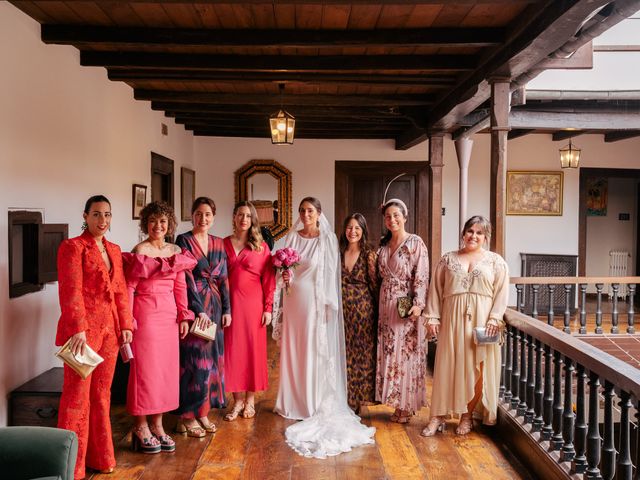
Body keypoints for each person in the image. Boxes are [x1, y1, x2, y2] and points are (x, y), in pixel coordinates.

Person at [272, 197, 375, 458]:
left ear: (319, 213)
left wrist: (329, 304)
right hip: (293, 299)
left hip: (315, 302)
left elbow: (331, 271)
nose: (306, 214)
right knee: (293, 349)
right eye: (302, 211)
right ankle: (290, 400)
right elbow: (282, 269)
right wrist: (284, 275)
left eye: (311, 211)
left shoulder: (327, 238)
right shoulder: (292, 238)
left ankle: (310, 402)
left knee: (312, 350)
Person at [56, 195, 133, 479]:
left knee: (102, 396)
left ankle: (101, 459)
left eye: (107, 215)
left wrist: (125, 324)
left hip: (110, 332)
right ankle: (70, 468)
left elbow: (120, 290)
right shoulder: (72, 247)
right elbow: (70, 289)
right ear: (86, 216)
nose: (103, 221)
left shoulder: (113, 248)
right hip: (82, 335)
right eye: (97, 214)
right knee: (76, 398)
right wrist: (77, 328)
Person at [422, 215, 509, 437]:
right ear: (463, 234)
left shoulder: (496, 262)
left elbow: (501, 292)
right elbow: (435, 290)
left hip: (482, 323)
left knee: (477, 368)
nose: (474, 236)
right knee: (445, 367)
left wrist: (495, 318)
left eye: (479, 233)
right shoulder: (447, 259)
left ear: (486, 237)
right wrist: (432, 317)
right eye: (470, 231)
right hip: (452, 320)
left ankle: (467, 415)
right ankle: (437, 416)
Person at [122, 201, 197, 453]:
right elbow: (130, 287)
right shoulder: (140, 250)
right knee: (145, 371)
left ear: (170, 224)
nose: (158, 225)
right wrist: (127, 320)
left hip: (169, 316)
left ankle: (158, 424)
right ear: (146, 224)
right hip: (144, 314)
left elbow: (180, 286)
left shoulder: (175, 250)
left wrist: (184, 316)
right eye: (153, 221)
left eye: (163, 221)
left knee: (164, 372)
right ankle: (140, 425)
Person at [173, 197, 231, 437]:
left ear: (213, 217)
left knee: (212, 363)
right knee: (194, 362)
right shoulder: (183, 240)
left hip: (215, 306)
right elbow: (185, 279)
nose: (203, 219)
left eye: (207, 214)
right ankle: (186, 416)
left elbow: (224, 278)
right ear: (191, 215)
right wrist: (199, 310)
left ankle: (203, 412)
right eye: (198, 214)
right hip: (194, 305)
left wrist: (227, 309)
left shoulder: (218, 243)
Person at [376, 199, 430, 424]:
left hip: (406, 306)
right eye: (388, 216)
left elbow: (422, 275)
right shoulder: (384, 245)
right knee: (390, 353)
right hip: (385, 307)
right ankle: (395, 402)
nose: (392, 220)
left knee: (406, 354)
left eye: (396, 215)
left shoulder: (415, 243)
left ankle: (406, 406)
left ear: (405, 217)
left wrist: (418, 304)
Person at [223, 201, 276, 421]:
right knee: (233, 351)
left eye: (248, 216)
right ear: (234, 217)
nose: (244, 219)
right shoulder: (223, 244)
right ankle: (237, 402)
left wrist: (268, 308)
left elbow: (269, 279)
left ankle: (251, 400)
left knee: (253, 351)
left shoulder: (261, 246)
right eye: (240, 215)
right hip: (230, 305)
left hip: (254, 304)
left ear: (253, 219)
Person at [339, 213, 379, 412]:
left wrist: (377, 313)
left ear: (363, 230)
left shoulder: (369, 254)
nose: (352, 232)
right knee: (344, 355)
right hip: (342, 313)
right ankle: (345, 397)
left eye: (356, 228)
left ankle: (359, 401)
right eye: (349, 228)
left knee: (362, 356)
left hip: (363, 312)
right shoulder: (338, 252)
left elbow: (374, 285)